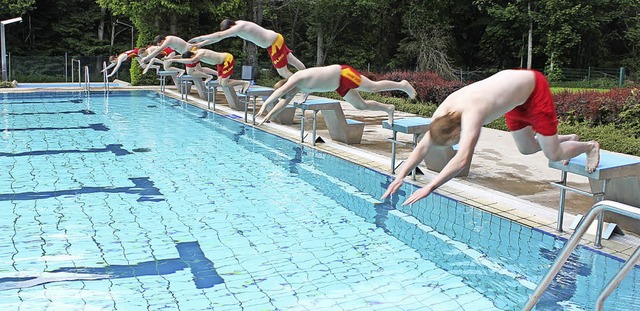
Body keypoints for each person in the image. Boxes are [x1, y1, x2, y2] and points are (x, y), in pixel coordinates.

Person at [381, 69, 600, 206]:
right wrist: (400, 175)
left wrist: (429, 187)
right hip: (515, 98)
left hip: (533, 89)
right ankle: (568, 137)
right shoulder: (442, 114)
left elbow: (462, 160)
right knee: (527, 148)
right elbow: (422, 146)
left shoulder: (471, 115)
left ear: (459, 133)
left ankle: (589, 147)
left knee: (552, 154)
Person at [255, 64, 416, 126]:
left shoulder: (296, 78)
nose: (286, 95)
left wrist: (264, 103)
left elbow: (280, 93)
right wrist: (267, 116)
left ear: (287, 86)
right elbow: (282, 101)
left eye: (286, 92)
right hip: (338, 86)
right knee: (361, 106)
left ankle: (402, 85)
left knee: (372, 88)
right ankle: (388, 109)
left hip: (343, 74)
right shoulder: (296, 89)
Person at [189, 19, 306, 79]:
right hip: (275, 39)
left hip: (273, 44)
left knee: (283, 72)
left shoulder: (239, 27)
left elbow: (220, 35)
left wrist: (200, 38)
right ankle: (306, 78)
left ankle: (302, 86)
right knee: (293, 61)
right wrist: (201, 44)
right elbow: (220, 37)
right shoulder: (238, 24)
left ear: (231, 27)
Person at [166, 48, 250, 90]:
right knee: (220, 82)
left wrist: (173, 60)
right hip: (220, 63)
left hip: (227, 59)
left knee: (224, 84)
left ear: (191, 55)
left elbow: (192, 61)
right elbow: (182, 56)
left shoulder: (200, 53)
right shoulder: (193, 52)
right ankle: (242, 83)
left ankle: (244, 83)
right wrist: (169, 58)